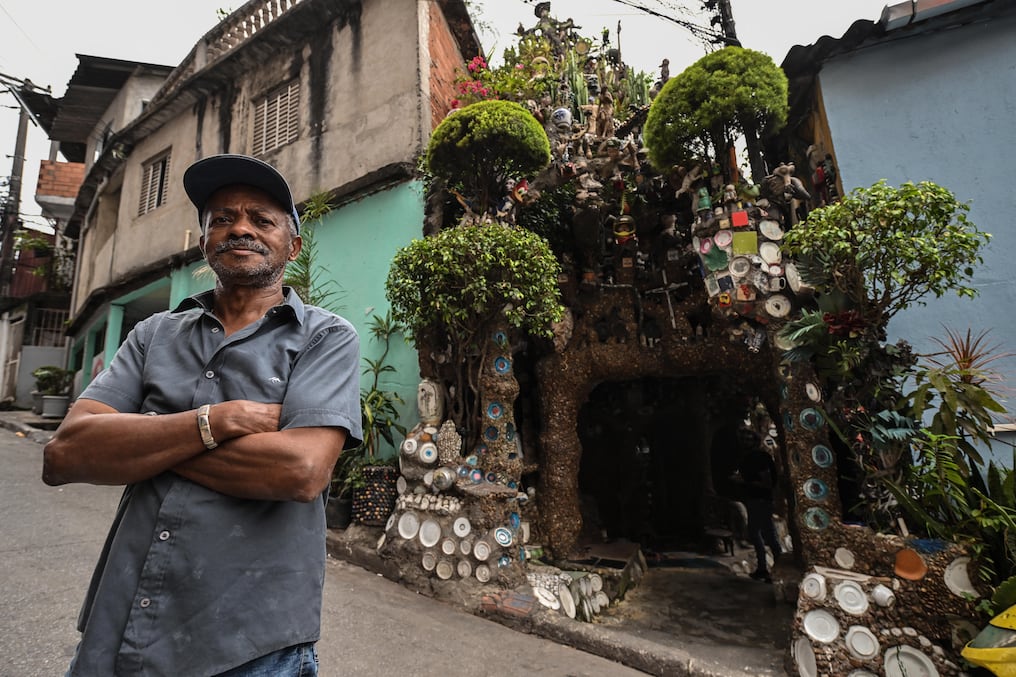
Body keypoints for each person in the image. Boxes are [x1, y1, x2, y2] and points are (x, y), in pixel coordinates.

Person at [42, 154, 363, 676]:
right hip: (120, 627)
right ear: (203, 243)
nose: (240, 228)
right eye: (222, 219)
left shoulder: (325, 338)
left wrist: (143, 439)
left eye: (261, 220)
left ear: (293, 246)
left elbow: (300, 471)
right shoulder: (153, 335)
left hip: (250, 642)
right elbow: (65, 454)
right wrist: (217, 421)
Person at [735, 430, 782, 583]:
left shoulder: (759, 457)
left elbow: (766, 482)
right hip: (755, 499)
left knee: (768, 534)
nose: (745, 443)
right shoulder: (750, 457)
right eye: (743, 439)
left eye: (748, 440)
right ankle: (763, 568)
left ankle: (778, 571)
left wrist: (745, 482)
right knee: (755, 532)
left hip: (760, 500)